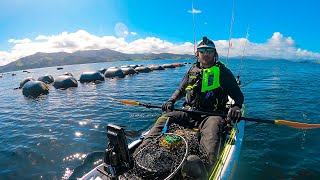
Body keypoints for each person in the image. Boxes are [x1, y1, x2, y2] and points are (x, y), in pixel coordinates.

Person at [137, 36, 244, 178]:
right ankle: (143, 151)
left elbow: (238, 95)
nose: (205, 54)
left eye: (209, 51)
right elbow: (181, 90)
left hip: (212, 115)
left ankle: (203, 168)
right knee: (165, 118)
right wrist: (171, 100)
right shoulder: (192, 70)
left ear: (215, 54)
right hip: (188, 112)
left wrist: (236, 107)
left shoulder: (223, 72)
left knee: (212, 134)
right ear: (197, 54)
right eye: (202, 51)